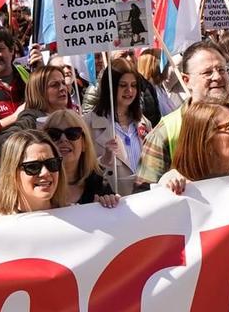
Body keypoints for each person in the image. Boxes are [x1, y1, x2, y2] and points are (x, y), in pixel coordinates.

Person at [137, 42, 229, 186]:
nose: (217, 77)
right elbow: (144, 195)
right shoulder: (166, 132)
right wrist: (168, 185)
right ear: (186, 80)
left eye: (222, 70)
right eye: (207, 72)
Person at [0, 128, 119, 219]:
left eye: (52, 164)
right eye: (33, 166)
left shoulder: (78, 216)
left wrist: (107, 210)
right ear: (11, 173)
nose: (45, 173)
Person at [83, 62, 148, 190]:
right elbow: (82, 171)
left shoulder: (144, 122)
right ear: (109, 88)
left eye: (134, 85)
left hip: (145, 198)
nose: (129, 91)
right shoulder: (87, 124)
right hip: (112, 203)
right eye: (123, 85)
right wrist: (104, 160)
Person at [41, 110, 114, 206]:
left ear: (84, 143)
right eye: (54, 134)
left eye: (72, 133)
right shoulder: (40, 184)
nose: (63, 139)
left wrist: (108, 204)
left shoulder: (99, 184)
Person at [12, 62, 74, 132]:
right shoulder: (31, 119)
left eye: (63, 83)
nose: (62, 88)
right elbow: (4, 139)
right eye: (54, 85)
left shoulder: (69, 114)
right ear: (39, 91)